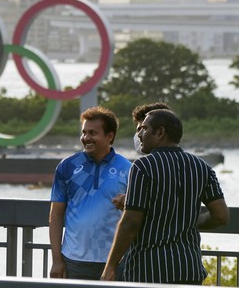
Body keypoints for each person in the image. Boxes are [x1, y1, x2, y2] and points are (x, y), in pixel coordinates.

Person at [101, 109, 230, 284]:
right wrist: (190, 222)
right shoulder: (202, 166)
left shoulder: (142, 166)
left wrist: (110, 266)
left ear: (160, 132)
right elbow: (221, 216)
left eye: (144, 129)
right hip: (189, 269)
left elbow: (130, 222)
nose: (139, 135)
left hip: (149, 270)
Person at [49, 106, 132, 280]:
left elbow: (135, 216)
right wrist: (57, 260)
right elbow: (56, 214)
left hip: (115, 261)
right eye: (84, 132)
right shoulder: (67, 166)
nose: (86, 138)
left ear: (109, 136)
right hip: (73, 261)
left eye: (93, 133)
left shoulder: (128, 169)